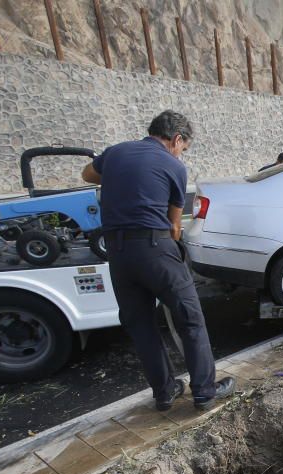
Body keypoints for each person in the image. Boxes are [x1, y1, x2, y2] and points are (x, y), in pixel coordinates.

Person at [81, 110, 235, 412]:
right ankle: (204, 392)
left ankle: (164, 393)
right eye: (184, 148)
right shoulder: (173, 166)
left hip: (117, 254)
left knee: (141, 326)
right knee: (190, 320)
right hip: (154, 247)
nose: (182, 153)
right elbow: (174, 226)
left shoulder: (114, 153)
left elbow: (87, 174)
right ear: (176, 139)